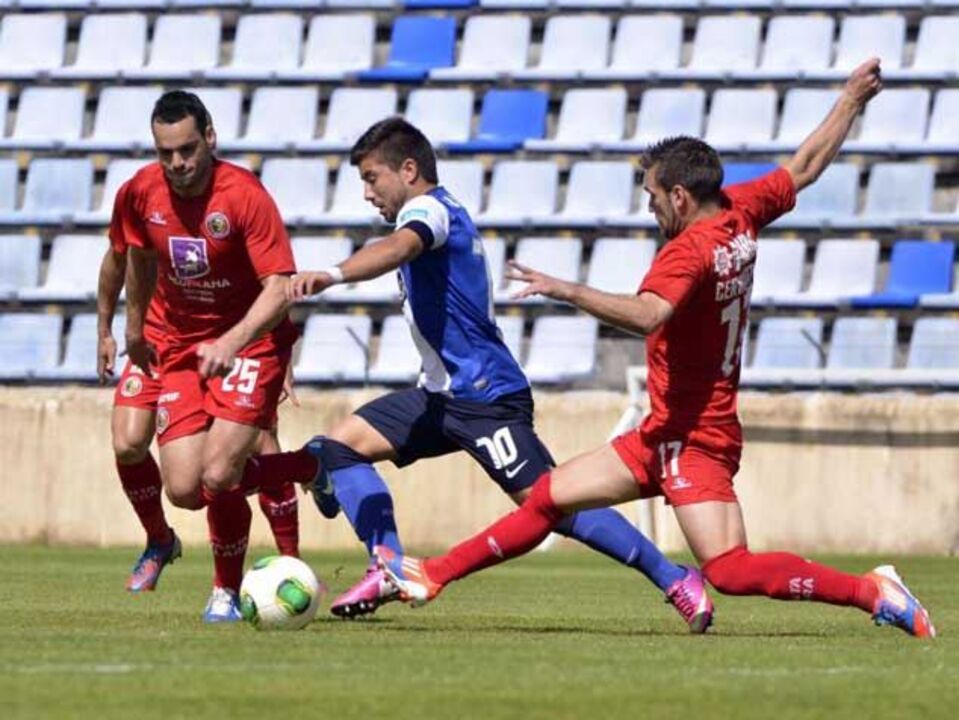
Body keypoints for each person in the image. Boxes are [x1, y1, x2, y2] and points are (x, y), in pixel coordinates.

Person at [375, 59, 936, 639]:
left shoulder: (687, 252)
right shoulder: (741, 209)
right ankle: (433, 574)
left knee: (731, 569)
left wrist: (566, 289)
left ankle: (873, 591)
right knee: (548, 497)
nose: (648, 209)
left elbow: (649, 315)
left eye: (652, 197)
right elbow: (805, 167)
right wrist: (849, 100)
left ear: (680, 196)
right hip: (661, 432)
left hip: (698, 439)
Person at [287, 117, 713, 631]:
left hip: (486, 399)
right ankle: (389, 565)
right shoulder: (432, 211)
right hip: (441, 398)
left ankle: (674, 578)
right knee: (338, 446)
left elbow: (399, 248)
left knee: (555, 503)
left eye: (372, 178)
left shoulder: (430, 211)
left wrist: (333, 274)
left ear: (408, 169)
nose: (367, 193)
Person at [120, 90, 319, 622]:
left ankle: (225, 592)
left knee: (220, 475)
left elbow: (279, 287)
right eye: (166, 153)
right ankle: (309, 464)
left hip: (250, 342)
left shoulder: (246, 196)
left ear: (210, 138)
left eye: (187, 149)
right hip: (184, 348)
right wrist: (132, 325)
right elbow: (137, 258)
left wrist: (232, 342)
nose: (178, 163)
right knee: (184, 489)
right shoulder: (142, 191)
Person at [96, 238, 301, 593]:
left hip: (225, 346)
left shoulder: (230, 209)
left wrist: (279, 358)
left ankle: (292, 562)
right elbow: (116, 260)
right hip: (158, 345)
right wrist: (105, 331)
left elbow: (271, 281)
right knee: (128, 444)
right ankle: (159, 540)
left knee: (256, 446)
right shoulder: (145, 205)